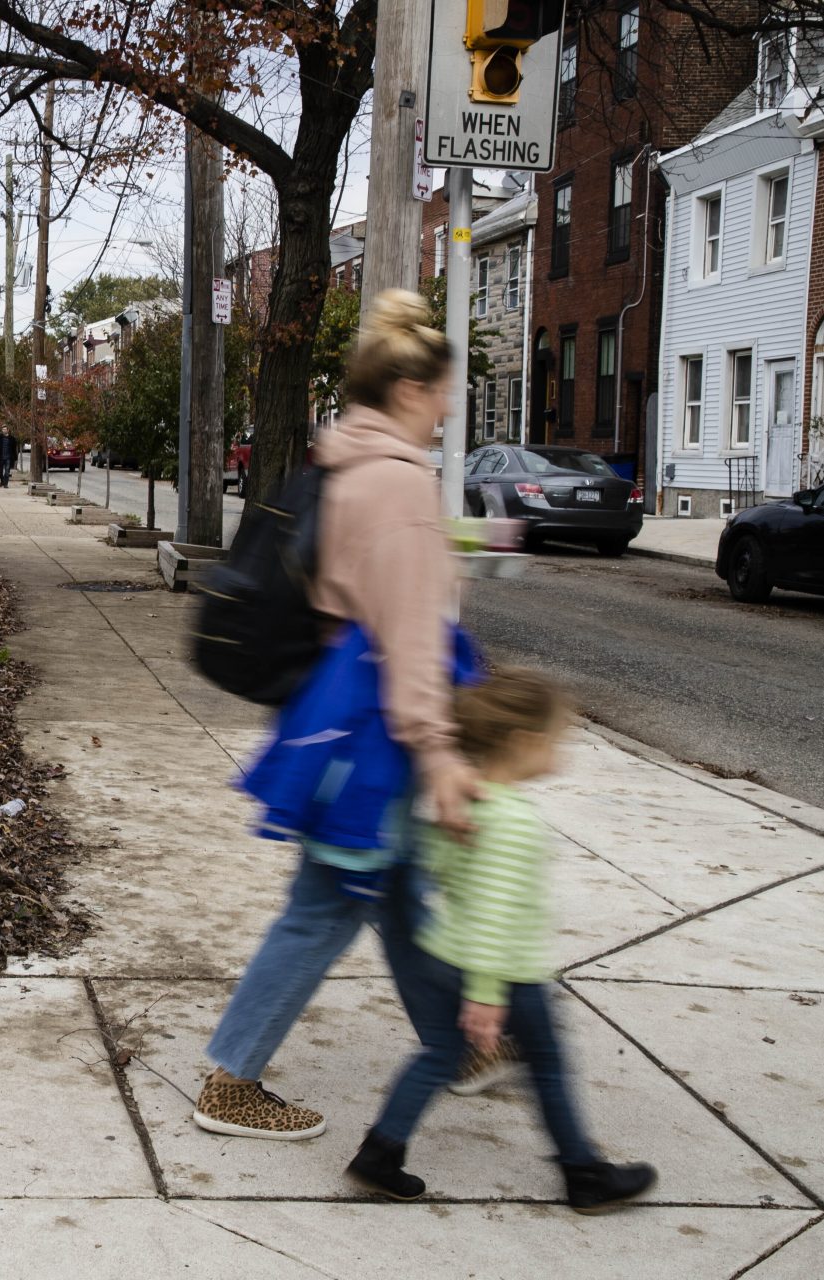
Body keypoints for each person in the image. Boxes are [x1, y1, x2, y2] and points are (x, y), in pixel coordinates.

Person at [192, 289, 485, 1141]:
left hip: (340, 712)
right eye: (440, 393)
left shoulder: (340, 459)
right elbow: (413, 636)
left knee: (391, 887)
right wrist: (440, 756)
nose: (447, 408)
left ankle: (454, 1036)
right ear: (406, 392)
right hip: (374, 730)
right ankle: (232, 1080)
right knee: (328, 902)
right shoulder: (397, 483)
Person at [346, 667, 657, 1213]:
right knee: (549, 1065)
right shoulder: (512, 819)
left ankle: (380, 1153)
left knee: (440, 1054)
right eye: (560, 739)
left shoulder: (463, 803)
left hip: (445, 953)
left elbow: (436, 867)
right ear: (524, 742)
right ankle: (584, 1174)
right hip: (505, 972)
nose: (563, 751)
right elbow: (495, 915)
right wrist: (488, 992)